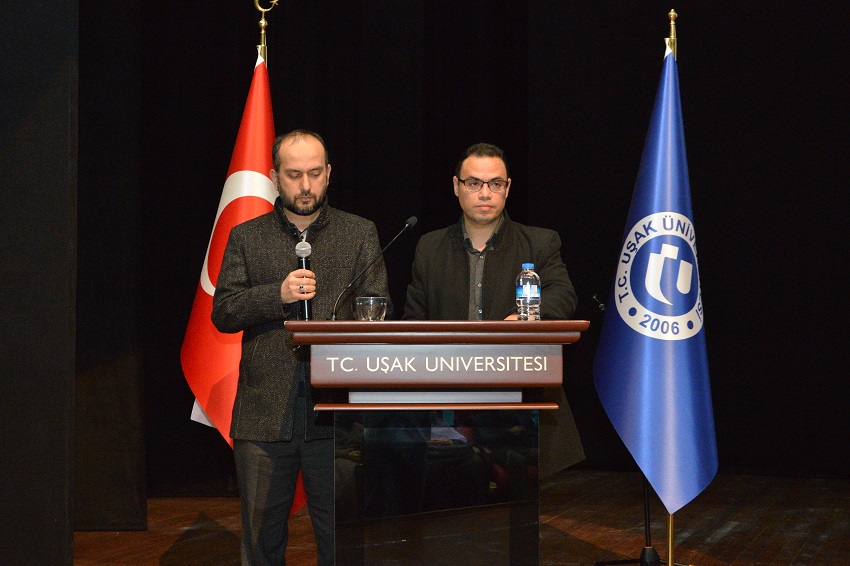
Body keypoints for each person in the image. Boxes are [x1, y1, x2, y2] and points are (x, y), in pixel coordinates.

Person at [212, 129, 390, 566]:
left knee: (342, 541)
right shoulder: (246, 236)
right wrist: (277, 295)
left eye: (314, 173)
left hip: (336, 414)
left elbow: (378, 309)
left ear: (329, 174)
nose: (305, 185)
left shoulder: (359, 233)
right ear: (274, 177)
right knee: (261, 543)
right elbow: (224, 311)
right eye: (294, 175)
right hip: (264, 413)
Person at [403, 142, 584, 475]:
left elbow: (563, 295)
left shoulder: (539, 242)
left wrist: (525, 316)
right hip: (450, 398)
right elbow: (414, 319)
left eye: (495, 183)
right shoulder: (430, 247)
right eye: (474, 183)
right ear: (456, 186)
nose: (485, 193)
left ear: (507, 188)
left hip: (520, 401)